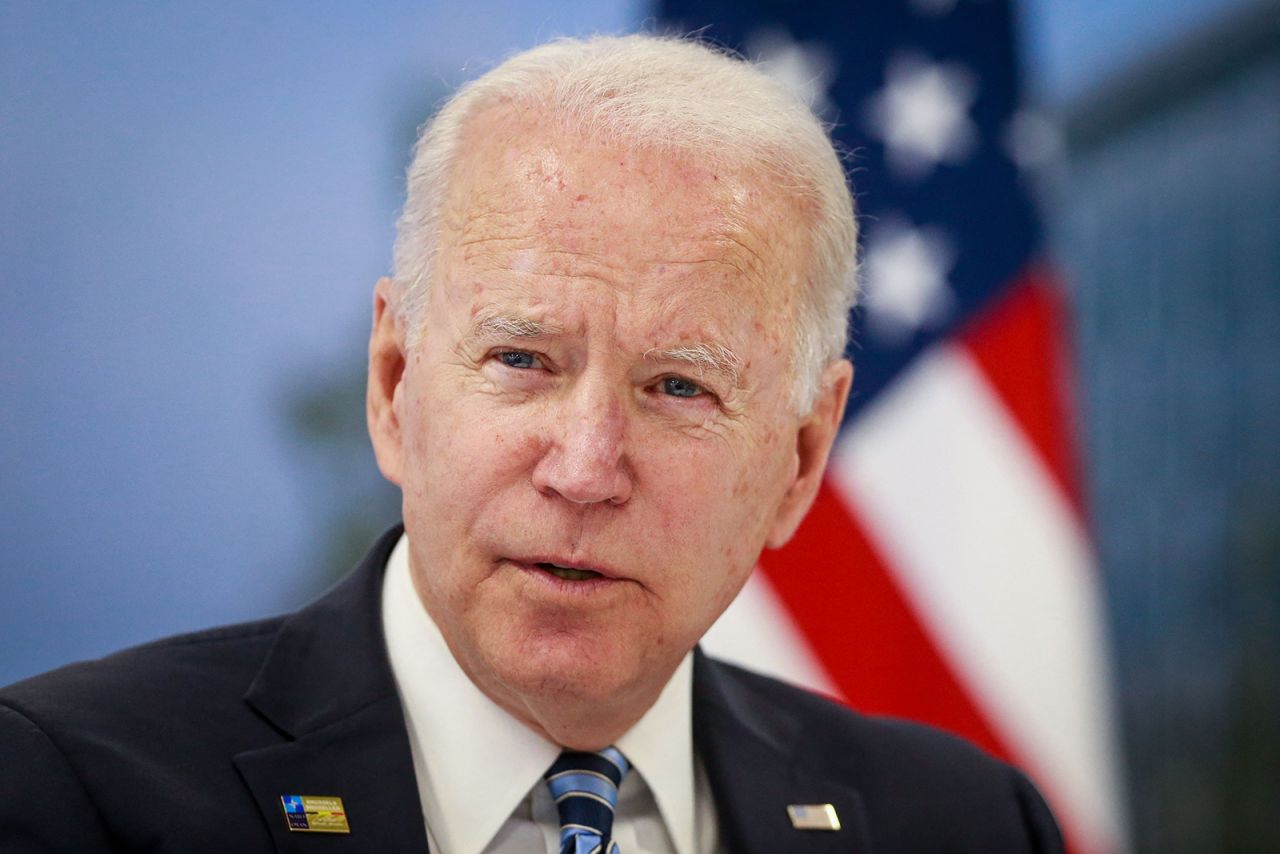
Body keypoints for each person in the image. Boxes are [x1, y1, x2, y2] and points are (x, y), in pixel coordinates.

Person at [0, 34, 1063, 853]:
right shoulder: (72, 792)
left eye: (678, 385)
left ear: (796, 461)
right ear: (394, 383)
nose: (586, 465)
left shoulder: (964, 822)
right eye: (520, 360)